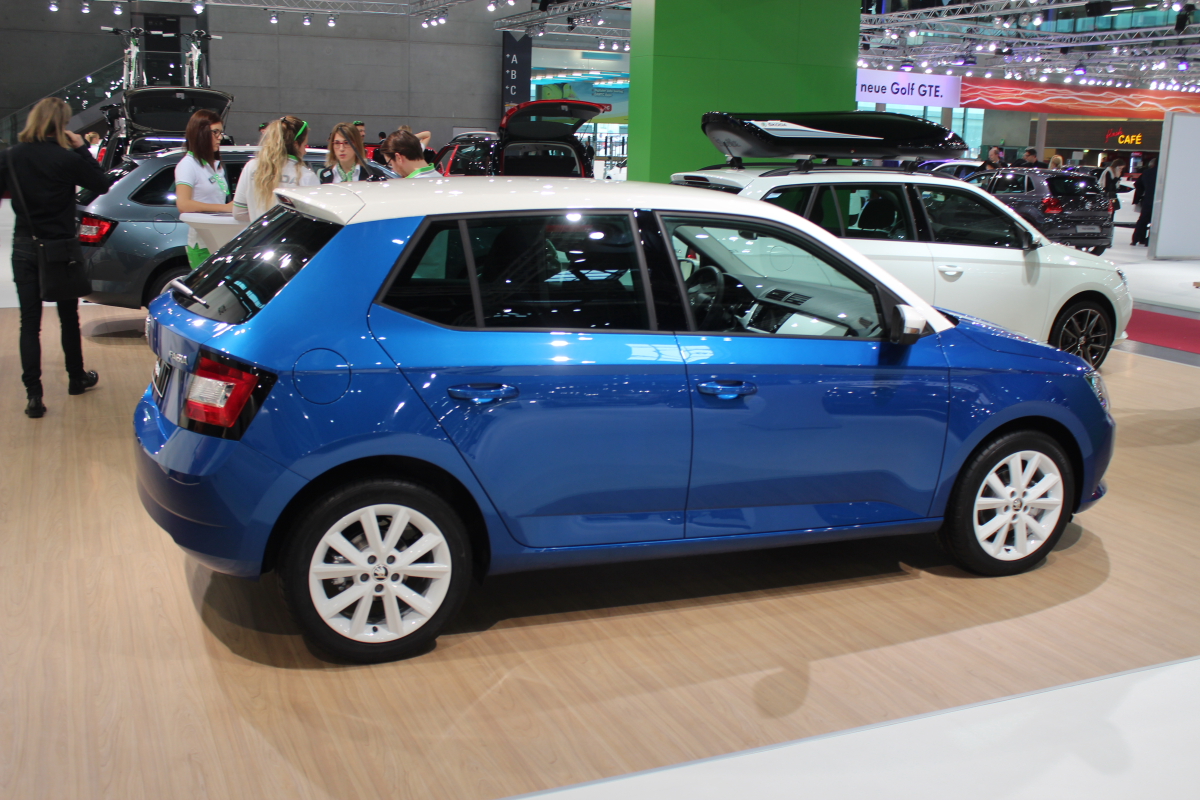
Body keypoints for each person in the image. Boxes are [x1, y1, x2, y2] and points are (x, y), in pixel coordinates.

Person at [0, 97, 114, 418]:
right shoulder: (66, 158)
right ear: (61, 124)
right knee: (68, 317)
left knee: (29, 323)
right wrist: (81, 148)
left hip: (25, 244)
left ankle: (34, 395)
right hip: (61, 247)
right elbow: (101, 184)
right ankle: (76, 378)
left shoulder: (10, 156)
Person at [233, 115, 319, 224]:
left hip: (259, 234)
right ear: (296, 145)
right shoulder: (306, 176)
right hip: (292, 234)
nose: (305, 151)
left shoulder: (251, 167)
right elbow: (315, 220)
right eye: (304, 145)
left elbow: (239, 213)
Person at [174, 109, 233, 269]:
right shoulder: (188, 165)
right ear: (201, 132)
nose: (220, 137)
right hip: (202, 244)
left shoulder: (214, 165)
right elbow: (183, 204)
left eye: (221, 132)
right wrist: (225, 208)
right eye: (215, 132)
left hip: (219, 240)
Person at [317, 122, 388, 184]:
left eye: (347, 143)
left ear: (357, 145)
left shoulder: (375, 174)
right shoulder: (325, 175)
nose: (341, 149)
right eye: (337, 143)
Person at [1131, 158, 1157, 246]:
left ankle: (1137, 238)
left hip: (1147, 199)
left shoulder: (1146, 172)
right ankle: (1149, 240)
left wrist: (1140, 195)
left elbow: (1137, 184)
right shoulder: (1164, 173)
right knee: (1156, 220)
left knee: (1143, 219)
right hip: (1159, 200)